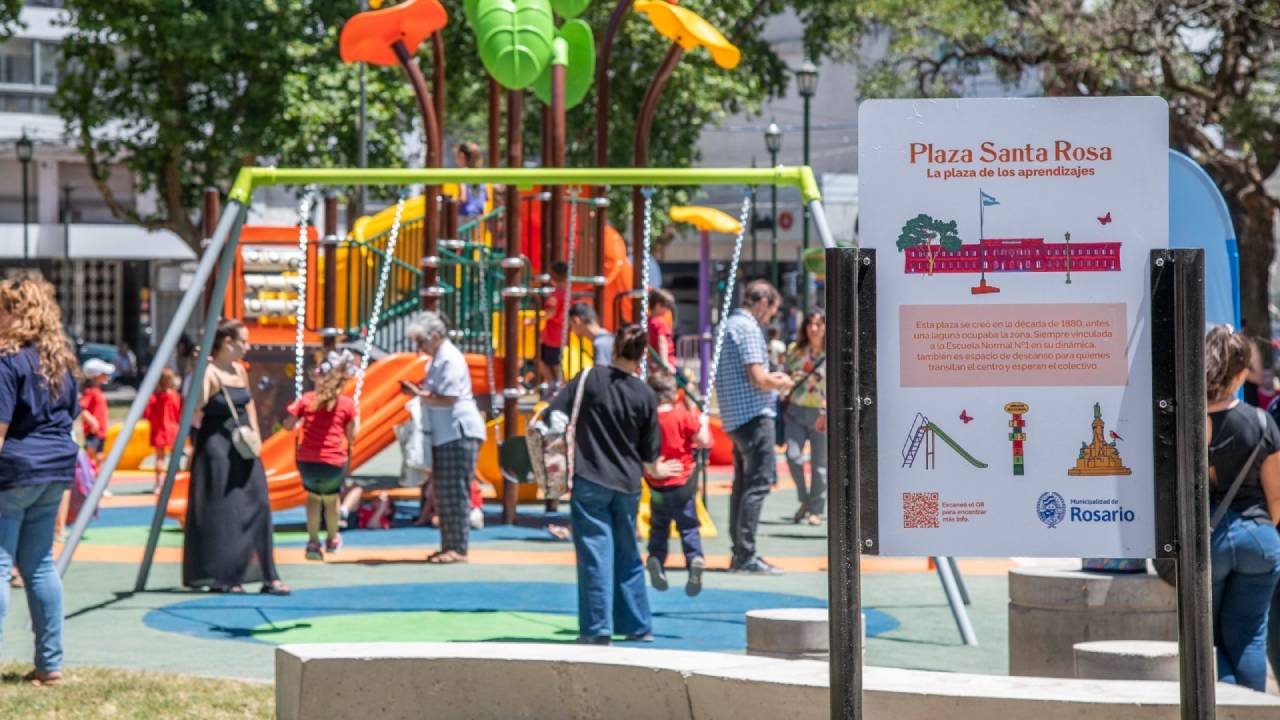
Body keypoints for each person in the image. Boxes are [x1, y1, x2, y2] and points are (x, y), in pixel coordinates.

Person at [548, 324, 679, 644]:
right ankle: (637, 625)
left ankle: (597, 628)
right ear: (642, 355)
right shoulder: (644, 394)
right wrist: (658, 470)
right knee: (628, 554)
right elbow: (650, 453)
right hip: (628, 483)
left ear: (615, 347)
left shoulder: (588, 379)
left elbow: (556, 415)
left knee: (595, 554)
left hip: (591, 477)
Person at [0, 276, 80, 686]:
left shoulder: (6, 360)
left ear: (17, 314)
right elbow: (71, 415)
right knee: (39, 565)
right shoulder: (60, 360)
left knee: (0, 566)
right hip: (55, 470)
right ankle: (50, 665)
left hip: (15, 470)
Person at [183, 319, 290, 595]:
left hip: (242, 445)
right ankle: (226, 575)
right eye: (243, 341)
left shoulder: (239, 369)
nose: (247, 346)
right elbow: (196, 407)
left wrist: (255, 435)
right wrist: (198, 370)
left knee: (260, 503)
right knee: (225, 509)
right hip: (217, 446)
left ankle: (268, 574)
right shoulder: (210, 372)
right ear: (228, 343)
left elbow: (248, 402)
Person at [1204, 325, 1280, 692]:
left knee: (1210, 635)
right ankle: (1251, 709)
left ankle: (1221, 705)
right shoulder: (1261, 421)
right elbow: (1276, 498)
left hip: (1209, 539)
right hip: (1259, 537)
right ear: (1239, 373)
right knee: (1250, 634)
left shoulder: (1188, 422)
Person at [716, 279, 793, 574]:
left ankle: (739, 550)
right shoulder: (748, 328)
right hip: (754, 415)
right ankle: (745, 554)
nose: (770, 317)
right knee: (758, 484)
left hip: (734, 416)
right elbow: (758, 378)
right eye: (772, 311)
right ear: (762, 303)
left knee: (743, 484)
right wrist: (780, 381)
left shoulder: (727, 325)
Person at [402, 312, 487, 565]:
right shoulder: (439, 359)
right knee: (444, 492)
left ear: (436, 336)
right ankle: (449, 545)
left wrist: (419, 395)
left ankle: (458, 547)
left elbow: (449, 397)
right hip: (446, 432)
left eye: (421, 341)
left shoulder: (449, 358)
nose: (420, 348)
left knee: (456, 491)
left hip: (458, 431)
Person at [284, 350, 358, 562]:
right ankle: (332, 539)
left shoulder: (306, 399)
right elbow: (352, 437)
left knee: (313, 498)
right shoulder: (347, 404)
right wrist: (356, 418)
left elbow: (287, 426)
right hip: (332, 462)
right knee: (331, 499)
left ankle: (313, 542)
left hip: (307, 462)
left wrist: (297, 412)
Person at [643, 370, 711, 597]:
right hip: (683, 483)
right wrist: (704, 423)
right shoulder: (682, 415)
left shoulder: (648, 419)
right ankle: (694, 559)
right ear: (674, 394)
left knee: (659, 526)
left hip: (657, 484)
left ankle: (656, 558)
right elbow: (703, 441)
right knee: (688, 526)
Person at [782, 310, 828, 525]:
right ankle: (805, 499)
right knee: (792, 456)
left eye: (819, 324)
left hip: (821, 413)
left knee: (820, 466)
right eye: (810, 324)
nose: (814, 328)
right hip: (796, 410)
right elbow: (785, 376)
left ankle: (815, 510)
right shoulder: (795, 351)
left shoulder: (832, 351)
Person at [144, 367, 183, 493]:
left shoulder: (154, 397)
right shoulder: (175, 396)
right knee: (175, 457)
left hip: (159, 429)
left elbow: (147, 414)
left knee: (159, 458)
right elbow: (180, 412)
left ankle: (158, 483)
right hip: (173, 429)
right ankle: (177, 482)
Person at [537, 262, 569, 389]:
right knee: (553, 362)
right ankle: (556, 384)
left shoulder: (556, 294)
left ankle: (556, 384)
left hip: (552, 335)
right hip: (560, 332)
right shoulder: (567, 293)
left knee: (544, 360)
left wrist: (534, 320)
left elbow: (550, 312)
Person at [79, 358, 113, 463]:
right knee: (91, 459)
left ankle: (97, 473)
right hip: (93, 432)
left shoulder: (97, 390)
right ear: (96, 376)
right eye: (104, 373)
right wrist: (92, 421)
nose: (107, 376)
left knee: (99, 457)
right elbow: (81, 409)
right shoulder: (90, 392)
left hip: (101, 432)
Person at [569, 302, 613, 367]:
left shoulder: (600, 344)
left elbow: (601, 372)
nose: (571, 330)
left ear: (576, 321)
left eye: (571, 325)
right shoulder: (608, 338)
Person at [647, 288, 677, 372]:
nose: (668, 310)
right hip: (666, 362)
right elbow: (662, 342)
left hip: (654, 362)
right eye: (667, 306)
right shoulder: (659, 323)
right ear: (658, 305)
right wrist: (665, 363)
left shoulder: (648, 322)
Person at [455, 141, 487, 218]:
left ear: (461, 156)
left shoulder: (462, 173)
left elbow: (463, 198)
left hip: (465, 214)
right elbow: (486, 196)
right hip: (478, 214)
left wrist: (452, 202)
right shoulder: (480, 173)